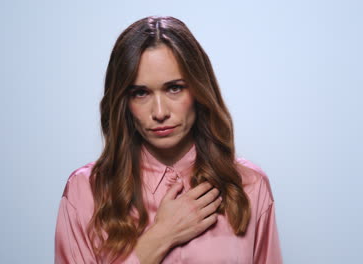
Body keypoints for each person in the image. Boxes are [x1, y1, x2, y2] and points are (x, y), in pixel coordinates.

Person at [55, 16, 282, 264]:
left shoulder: (249, 186)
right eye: (141, 93)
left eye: (174, 88)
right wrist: (162, 236)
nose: (160, 112)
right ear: (124, 102)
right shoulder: (86, 190)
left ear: (198, 90)